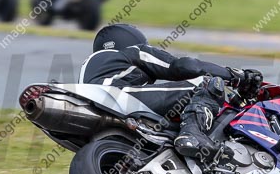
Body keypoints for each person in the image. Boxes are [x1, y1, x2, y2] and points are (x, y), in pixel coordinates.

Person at [79, 24, 262, 161]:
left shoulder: (92, 67)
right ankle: (192, 133)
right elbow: (184, 66)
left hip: (98, 112)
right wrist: (235, 75)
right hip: (118, 97)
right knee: (207, 82)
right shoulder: (132, 51)